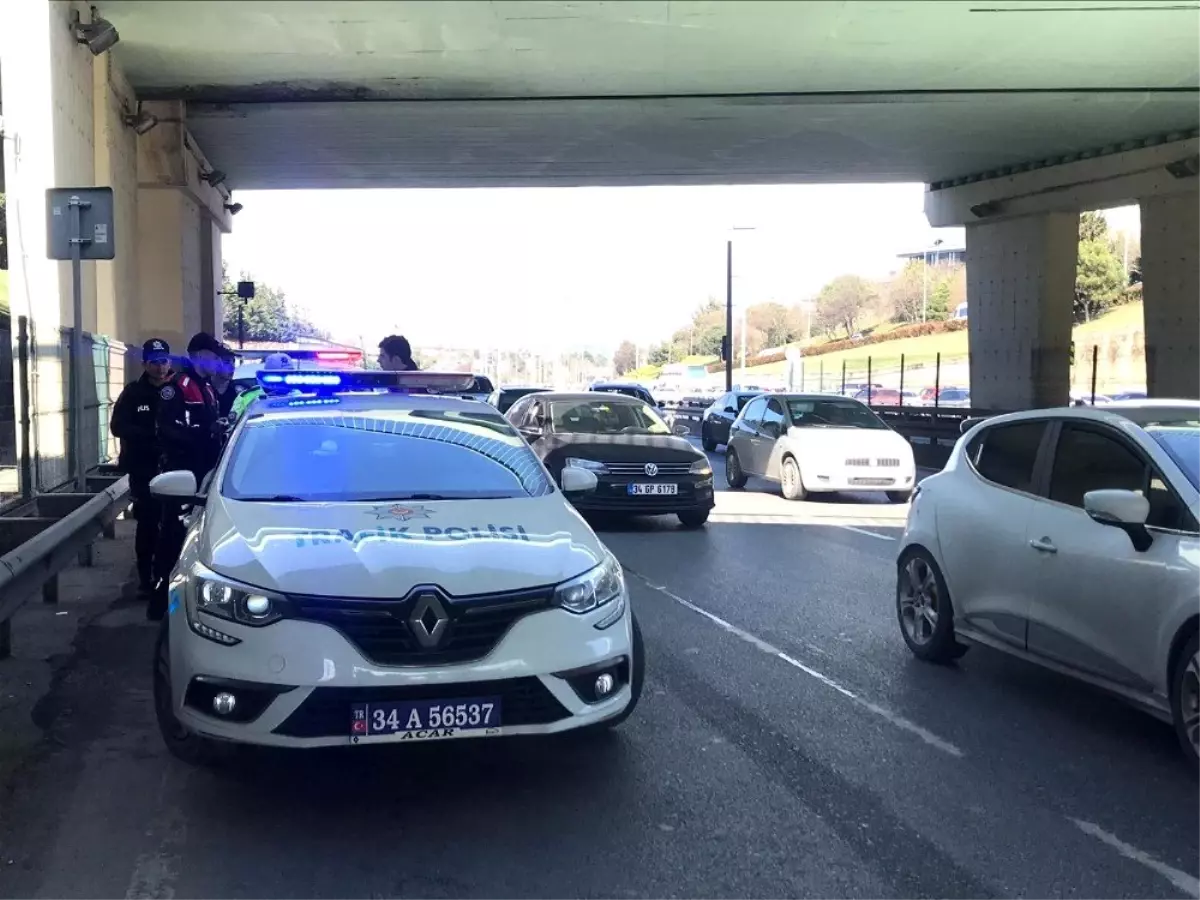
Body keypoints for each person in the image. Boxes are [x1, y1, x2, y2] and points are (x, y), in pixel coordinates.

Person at [150, 332, 224, 620]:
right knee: (172, 535)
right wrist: (204, 435)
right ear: (198, 356)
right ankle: (160, 602)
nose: (217, 361)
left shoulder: (206, 388)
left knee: (194, 538)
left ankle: (188, 601)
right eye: (212, 355)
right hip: (182, 475)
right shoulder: (178, 387)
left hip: (204, 475)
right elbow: (167, 430)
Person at [110, 338, 172, 597]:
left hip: (172, 470)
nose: (160, 368)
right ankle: (145, 580)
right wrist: (149, 435)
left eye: (164, 362)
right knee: (147, 524)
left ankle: (167, 577)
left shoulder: (177, 390)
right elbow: (118, 427)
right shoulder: (133, 393)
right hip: (143, 470)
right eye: (154, 363)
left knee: (170, 525)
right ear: (145, 364)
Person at [229, 352, 295, 422]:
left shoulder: (298, 395)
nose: (286, 378)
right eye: (281, 374)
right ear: (267, 375)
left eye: (290, 373)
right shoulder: (245, 397)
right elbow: (233, 426)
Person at [210, 344, 239, 418]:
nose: (232, 366)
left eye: (234, 361)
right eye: (226, 362)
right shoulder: (203, 388)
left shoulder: (237, 392)